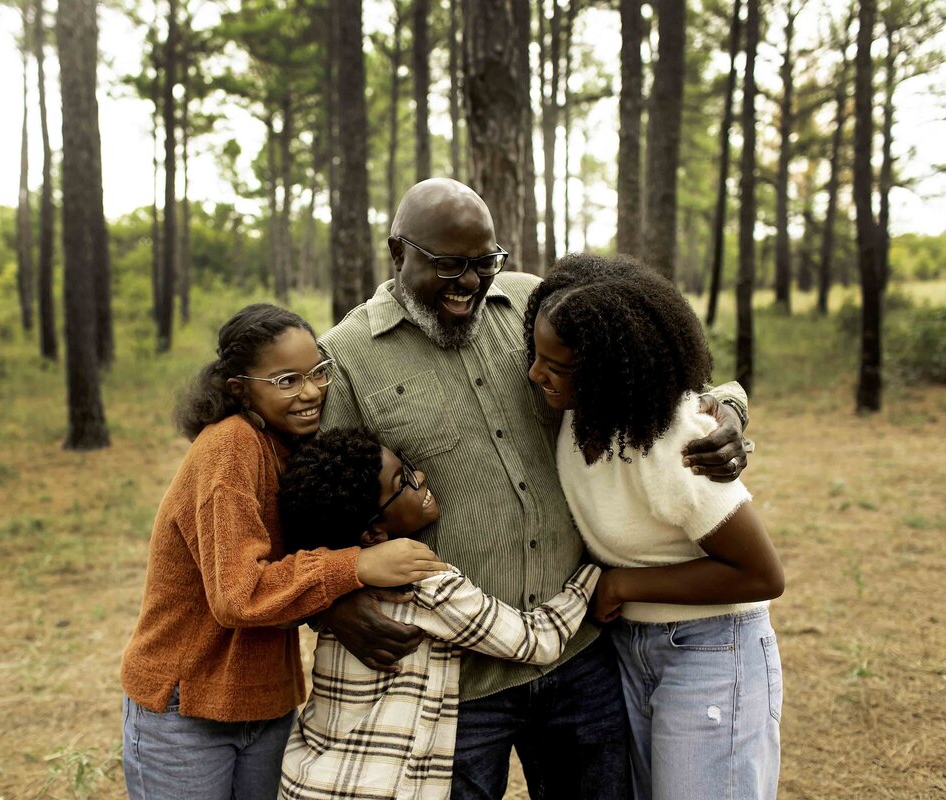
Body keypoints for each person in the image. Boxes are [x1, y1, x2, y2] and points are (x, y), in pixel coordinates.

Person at [315, 178, 750, 799]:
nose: (469, 283)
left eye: (485, 262)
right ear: (397, 251)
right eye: (448, 265)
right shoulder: (349, 357)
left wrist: (730, 411)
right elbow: (317, 507)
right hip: (455, 681)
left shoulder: (532, 306)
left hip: (580, 653)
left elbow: (658, 372)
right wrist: (330, 601)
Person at [119, 303, 448, 800]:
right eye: (287, 380)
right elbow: (237, 595)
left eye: (318, 372)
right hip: (185, 706)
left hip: (267, 705)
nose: (311, 391)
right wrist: (356, 565)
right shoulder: (228, 449)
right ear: (239, 388)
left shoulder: (290, 445)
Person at [526, 253, 784, 800]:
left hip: (712, 649)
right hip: (630, 649)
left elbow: (762, 575)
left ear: (607, 369)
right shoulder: (578, 413)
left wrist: (622, 584)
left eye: (556, 365)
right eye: (536, 354)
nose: (535, 373)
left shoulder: (674, 446)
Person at [276, 428, 601, 800]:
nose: (422, 477)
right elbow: (537, 641)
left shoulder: (339, 581)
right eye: (405, 481)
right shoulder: (425, 584)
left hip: (310, 778)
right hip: (379, 789)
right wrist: (591, 576)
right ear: (372, 535)